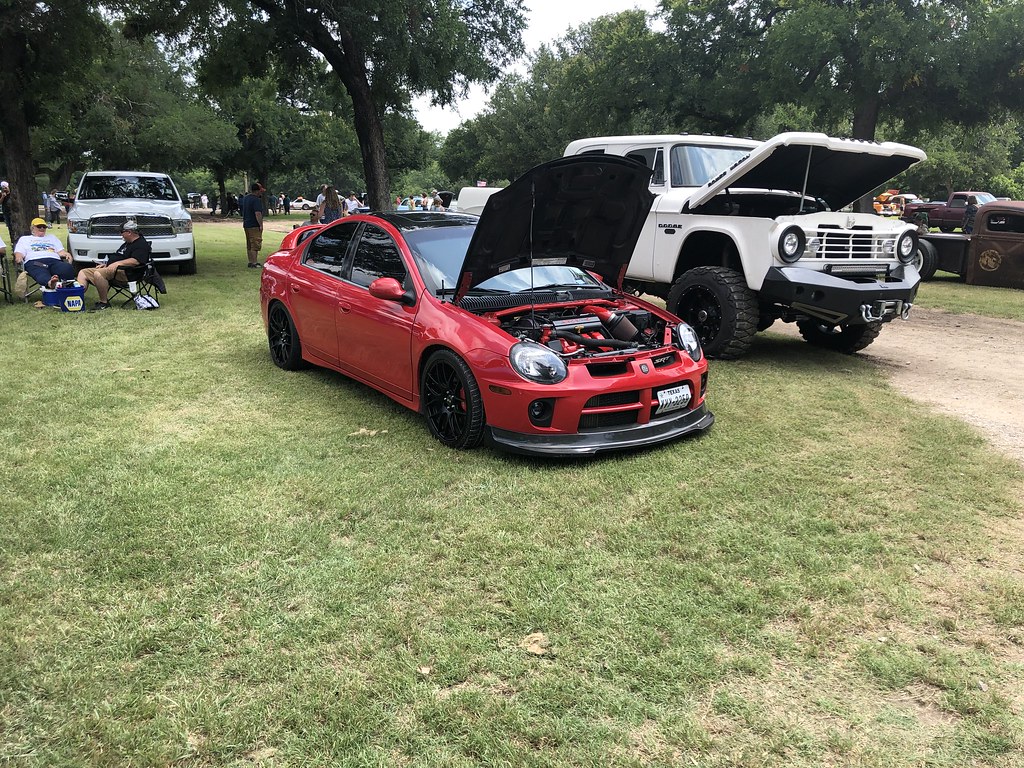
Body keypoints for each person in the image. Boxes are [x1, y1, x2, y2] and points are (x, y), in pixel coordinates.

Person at [75, 219, 152, 310]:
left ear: (129, 232)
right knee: (83, 272)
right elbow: (120, 256)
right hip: (115, 270)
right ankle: (76, 298)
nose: (121, 234)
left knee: (98, 274)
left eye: (121, 232)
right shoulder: (127, 243)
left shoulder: (141, 244)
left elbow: (136, 261)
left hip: (128, 273)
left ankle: (103, 302)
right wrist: (106, 265)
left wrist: (117, 264)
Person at [14, 218, 75, 289]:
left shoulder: (52, 237)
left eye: (44, 227)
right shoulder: (25, 239)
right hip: (35, 262)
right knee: (41, 273)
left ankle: (68, 289)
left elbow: (61, 251)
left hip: (54, 262)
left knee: (66, 268)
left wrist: (67, 254)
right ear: (32, 228)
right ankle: (51, 283)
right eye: (39, 226)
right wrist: (18, 257)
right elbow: (19, 252)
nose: (42, 228)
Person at [241, 182, 264, 269]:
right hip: (254, 225)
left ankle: (250, 261)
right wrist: (260, 225)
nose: (261, 193)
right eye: (260, 191)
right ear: (257, 191)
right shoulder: (256, 200)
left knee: (249, 244)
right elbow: (257, 213)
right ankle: (255, 262)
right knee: (255, 243)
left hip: (246, 224)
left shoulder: (246, 198)